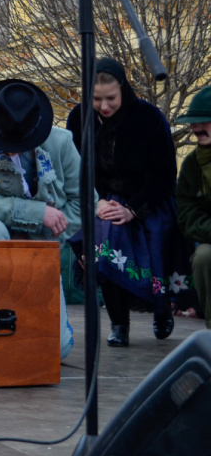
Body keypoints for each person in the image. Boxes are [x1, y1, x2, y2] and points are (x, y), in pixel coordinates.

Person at [0, 79, 78, 359]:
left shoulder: (62, 142)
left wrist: (39, 237)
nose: (11, 148)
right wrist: (34, 214)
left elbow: (83, 202)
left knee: (58, 350)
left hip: (40, 244)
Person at [67, 58, 188, 346]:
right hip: (104, 199)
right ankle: (119, 323)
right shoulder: (78, 118)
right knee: (105, 236)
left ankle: (163, 311)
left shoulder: (150, 117)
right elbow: (74, 168)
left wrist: (133, 208)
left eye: (111, 98)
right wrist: (96, 202)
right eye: (96, 99)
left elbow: (165, 175)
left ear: (123, 90)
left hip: (149, 198)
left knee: (157, 236)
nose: (104, 106)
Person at [175, 86, 211, 329]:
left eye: (202, 122)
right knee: (203, 257)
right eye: (192, 123)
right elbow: (186, 214)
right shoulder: (192, 165)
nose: (195, 128)